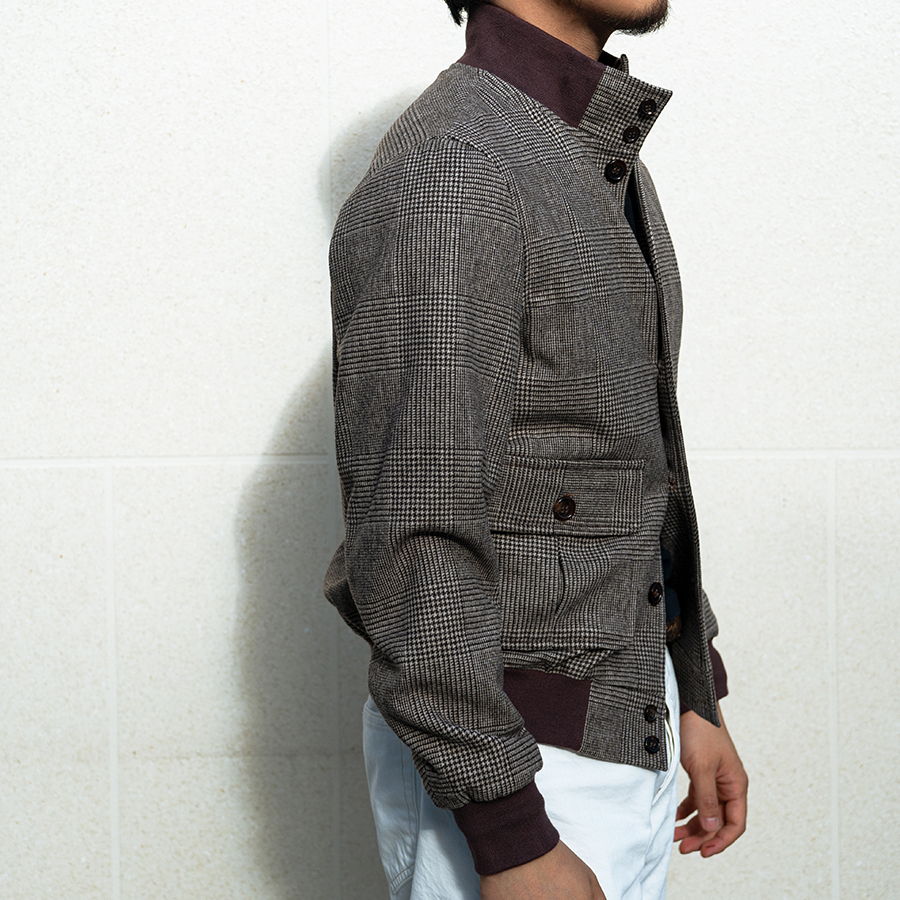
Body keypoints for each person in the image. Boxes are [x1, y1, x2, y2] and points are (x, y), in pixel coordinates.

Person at [323, 0, 749, 897]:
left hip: (620, 740)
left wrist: (689, 689)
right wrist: (509, 832)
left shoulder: (587, 146)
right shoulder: (454, 165)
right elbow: (412, 533)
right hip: (520, 773)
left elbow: (621, 458)